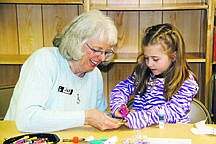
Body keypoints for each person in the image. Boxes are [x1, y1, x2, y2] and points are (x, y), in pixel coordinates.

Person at [4, 10, 121, 132]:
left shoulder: (94, 74)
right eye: (97, 50)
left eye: (106, 52)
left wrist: (117, 118)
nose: (102, 58)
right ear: (76, 42)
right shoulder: (44, 60)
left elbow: (99, 116)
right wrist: (85, 117)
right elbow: (26, 120)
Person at [110, 23, 199, 129]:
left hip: (172, 135)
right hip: (142, 135)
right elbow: (121, 88)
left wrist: (141, 117)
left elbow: (173, 110)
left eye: (155, 59)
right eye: (146, 58)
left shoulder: (186, 81)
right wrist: (119, 105)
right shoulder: (143, 73)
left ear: (173, 56)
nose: (149, 64)